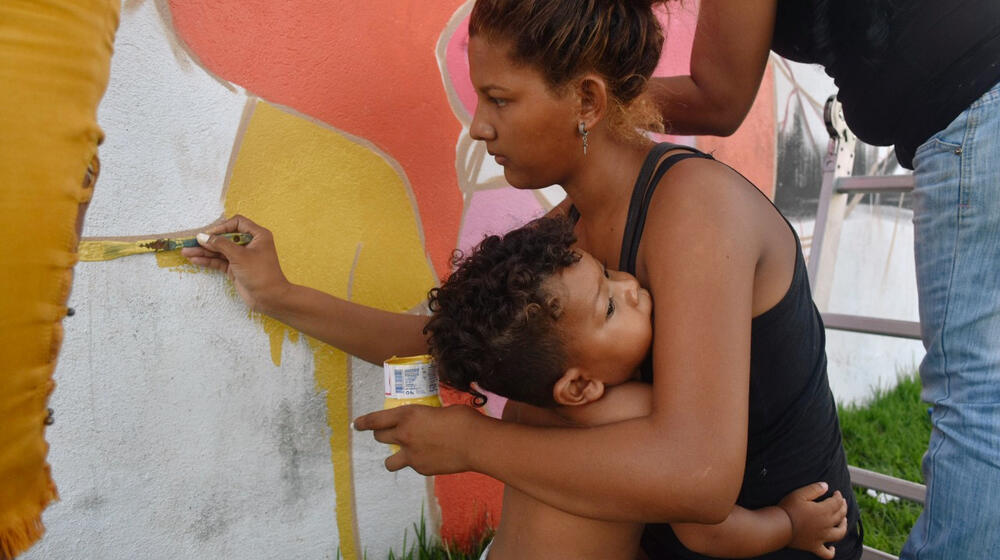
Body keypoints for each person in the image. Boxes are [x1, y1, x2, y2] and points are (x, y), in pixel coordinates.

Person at [183, 1, 863, 557]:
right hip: (666, 535)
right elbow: (453, 338)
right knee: (546, 384)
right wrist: (279, 293)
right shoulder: (569, 229)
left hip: (784, 538)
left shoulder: (693, 212)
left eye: (499, 99)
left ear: (587, 100)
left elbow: (700, 479)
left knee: (569, 414)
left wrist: (476, 444)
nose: (478, 126)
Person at [643, 2, 1000, 558]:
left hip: (976, 100)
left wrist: (585, 96)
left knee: (976, 394)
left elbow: (719, 94)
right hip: (977, 98)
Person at [424, 215, 848, 560]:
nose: (630, 286)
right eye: (608, 306)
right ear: (579, 386)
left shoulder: (519, 409)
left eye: (607, 273)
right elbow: (707, 535)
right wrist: (790, 525)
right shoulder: (640, 410)